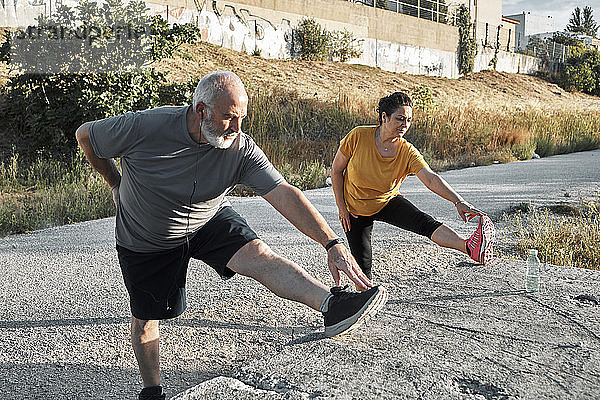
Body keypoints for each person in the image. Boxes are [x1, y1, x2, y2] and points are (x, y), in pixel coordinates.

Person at [75, 71, 388, 400]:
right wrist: (115, 182)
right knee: (147, 320)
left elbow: (283, 192)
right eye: (228, 118)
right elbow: (87, 136)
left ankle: (333, 305)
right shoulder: (146, 127)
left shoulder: (239, 147)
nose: (237, 129)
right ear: (201, 111)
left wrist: (332, 242)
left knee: (259, 255)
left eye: (242, 118)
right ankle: (152, 391)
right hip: (148, 236)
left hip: (207, 218)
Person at [331, 91, 494, 282]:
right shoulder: (358, 136)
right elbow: (336, 171)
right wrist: (342, 208)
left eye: (408, 120)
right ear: (384, 117)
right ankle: (364, 296)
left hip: (387, 201)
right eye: (400, 119)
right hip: (355, 211)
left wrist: (459, 201)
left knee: (424, 223)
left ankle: (470, 248)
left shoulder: (406, 151)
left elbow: (431, 179)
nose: (405, 125)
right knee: (363, 268)